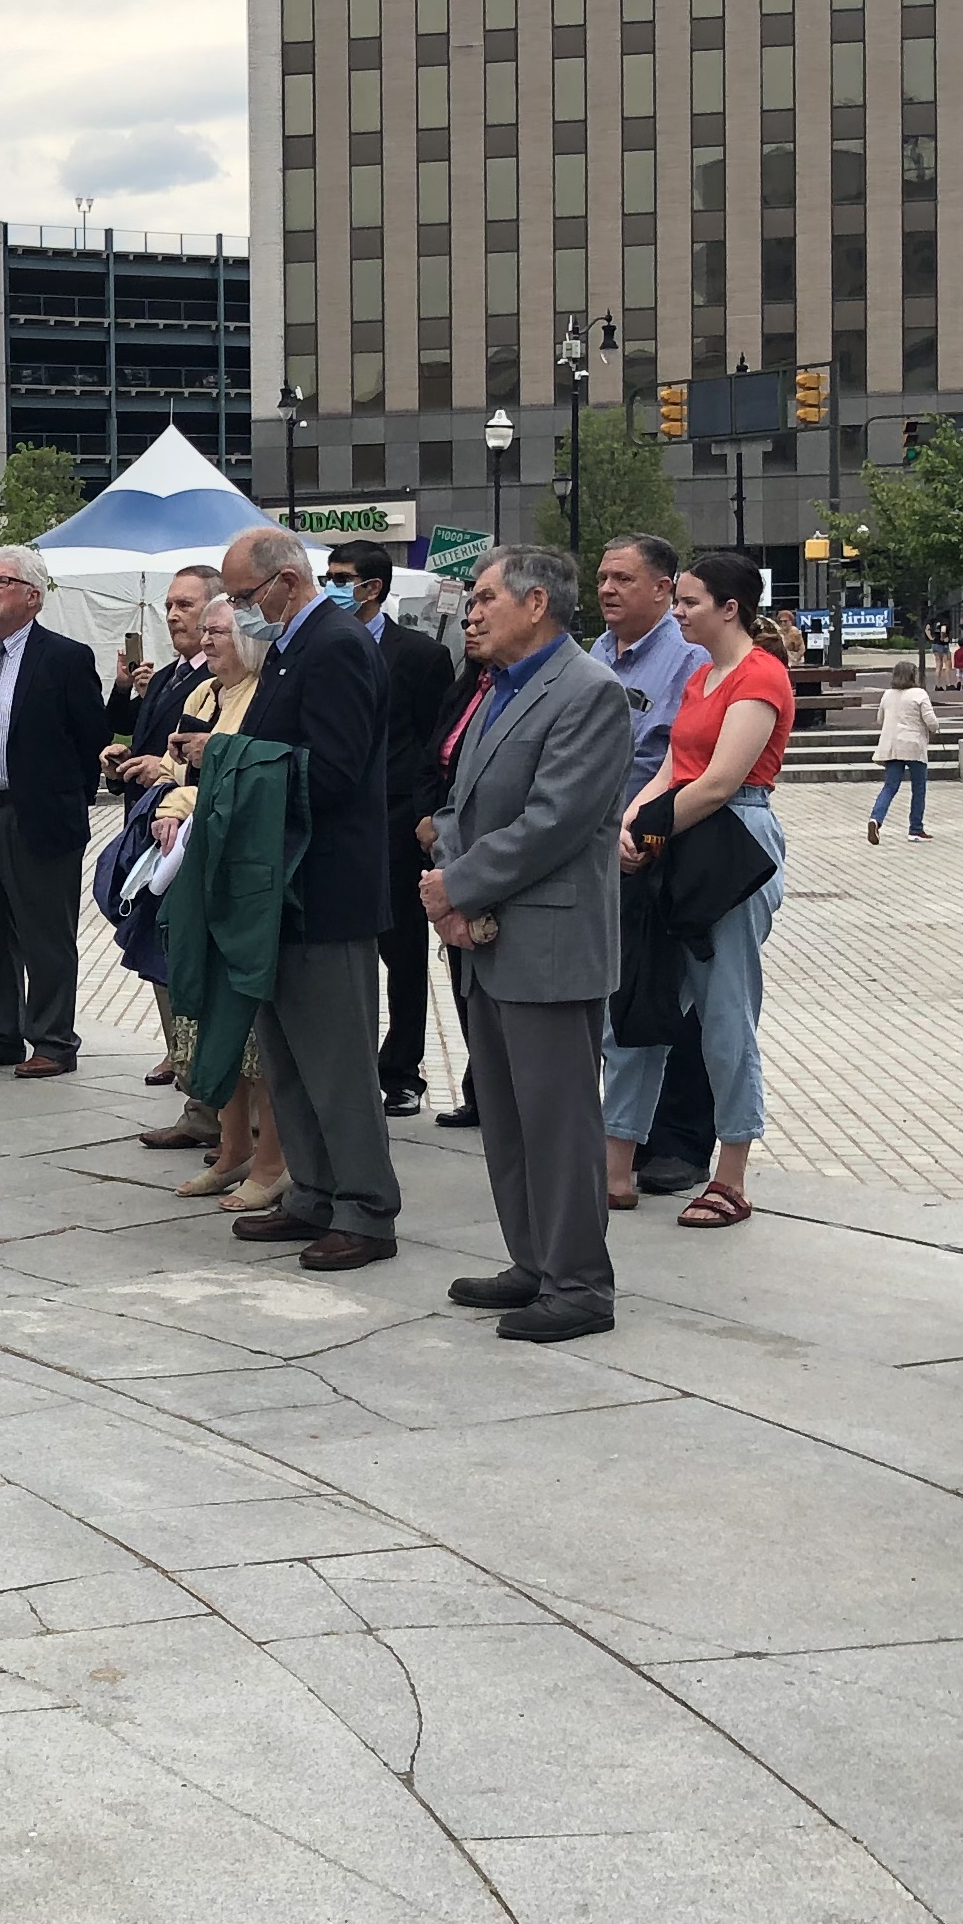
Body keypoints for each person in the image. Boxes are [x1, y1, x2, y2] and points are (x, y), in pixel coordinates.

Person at [424, 544, 637, 1339]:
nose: (470, 613)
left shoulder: (589, 692)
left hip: (546, 946)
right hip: (485, 940)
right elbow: (459, 803)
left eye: (482, 598)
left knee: (559, 1124)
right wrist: (449, 887)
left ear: (536, 602)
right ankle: (535, 1260)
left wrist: (460, 887)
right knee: (509, 1120)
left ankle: (580, 1285)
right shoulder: (496, 689)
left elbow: (555, 821)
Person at [211, 526, 399, 1269]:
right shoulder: (295, 647)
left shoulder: (338, 645)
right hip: (279, 891)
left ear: (287, 582)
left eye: (243, 596)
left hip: (326, 890)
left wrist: (229, 759)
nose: (238, 609)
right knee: (287, 1060)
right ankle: (314, 1193)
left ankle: (366, 1210)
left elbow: (335, 771)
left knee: (338, 1063)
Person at [599, 552, 793, 1230]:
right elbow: (676, 769)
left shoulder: (760, 676)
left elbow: (720, 781)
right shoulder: (703, 678)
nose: (677, 611)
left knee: (724, 1009)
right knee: (636, 1004)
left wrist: (648, 828)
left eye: (688, 601)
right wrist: (632, 822)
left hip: (732, 841)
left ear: (729, 608)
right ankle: (615, 1163)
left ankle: (731, 1176)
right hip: (680, 836)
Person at [0, 542, 109, 1077]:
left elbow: (91, 739)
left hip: (35, 815)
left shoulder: (65, 657)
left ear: (33, 597)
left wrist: (63, 802)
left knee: (45, 933)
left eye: (3, 581)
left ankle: (53, 1040)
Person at [589, 536, 714, 1196]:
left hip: (658, 853)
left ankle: (683, 1144)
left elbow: (686, 765)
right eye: (603, 577)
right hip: (595, 851)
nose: (607, 589)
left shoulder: (689, 664)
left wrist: (640, 828)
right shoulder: (596, 655)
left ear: (663, 588)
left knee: (671, 1001)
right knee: (621, 1003)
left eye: (623, 579)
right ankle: (623, 1140)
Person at [149, 588, 277, 1204]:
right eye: (205, 633)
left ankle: (270, 1161)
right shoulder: (205, 693)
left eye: (218, 633)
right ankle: (232, 1150)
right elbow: (189, 775)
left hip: (243, 869)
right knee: (210, 1013)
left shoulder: (263, 695)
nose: (205, 641)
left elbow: (242, 781)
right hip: (200, 863)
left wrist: (187, 792)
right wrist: (172, 797)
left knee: (254, 1028)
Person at [331, 540, 458, 1117]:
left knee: (402, 951)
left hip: (395, 818)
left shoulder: (419, 656)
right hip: (333, 816)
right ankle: (346, 1062)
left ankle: (401, 1070)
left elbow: (437, 744)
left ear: (372, 588)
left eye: (342, 577)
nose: (331, 585)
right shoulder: (318, 647)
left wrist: (423, 816)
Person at [109, 563, 219, 1088]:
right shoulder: (169, 675)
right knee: (154, 944)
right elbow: (156, 744)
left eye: (186, 605)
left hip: (185, 828)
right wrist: (128, 757)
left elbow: (199, 759)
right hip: (151, 820)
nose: (174, 615)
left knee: (175, 946)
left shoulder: (214, 678)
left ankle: (190, 1056)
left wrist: (163, 768)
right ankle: (178, 1050)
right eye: (170, 605)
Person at [866, 659, 940, 844]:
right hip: (914, 746)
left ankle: (876, 818)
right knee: (918, 788)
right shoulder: (919, 694)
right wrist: (936, 728)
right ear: (912, 675)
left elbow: (880, 719)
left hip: (892, 746)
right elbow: (931, 722)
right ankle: (915, 829)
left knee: (890, 786)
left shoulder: (887, 695)